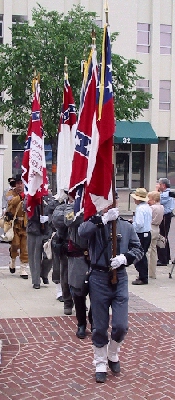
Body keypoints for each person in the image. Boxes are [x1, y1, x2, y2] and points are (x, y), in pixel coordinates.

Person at [78, 206, 143, 383]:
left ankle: (113, 353)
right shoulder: (95, 223)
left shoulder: (126, 226)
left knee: (121, 325)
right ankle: (100, 362)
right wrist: (102, 220)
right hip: (98, 277)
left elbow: (138, 249)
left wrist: (125, 258)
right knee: (99, 326)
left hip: (119, 278)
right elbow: (81, 233)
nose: (109, 206)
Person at [64, 201, 92, 339]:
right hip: (78, 257)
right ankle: (81, 323)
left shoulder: (97, 203)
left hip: (96, 256)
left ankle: (94, 321)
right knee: (78, 291)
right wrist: (83, 212)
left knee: (98, 292)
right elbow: (67, 220)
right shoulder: (71, 207)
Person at [51, 202, 73, 315]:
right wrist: (72, 212)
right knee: (65, 276)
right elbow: (58, 221)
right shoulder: (61, 207)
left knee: (83, 278)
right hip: (66, 246)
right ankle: (68, 302)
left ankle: (80, 301)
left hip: (82, 246)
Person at [26, 196, 52, 289]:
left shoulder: (50, 198)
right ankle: (36, 281)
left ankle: (44, 273)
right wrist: (33, 200)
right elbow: (26, 208)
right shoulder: (29, 196)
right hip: (34, 230)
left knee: (49, 256)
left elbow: (55, 211)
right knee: (34, 257)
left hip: (47, 230)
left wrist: (48, 218)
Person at [5, 174, 28, 278]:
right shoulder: (11, 193)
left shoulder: (27, 193)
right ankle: (12, 260)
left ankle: (23, 268)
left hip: (25, 224)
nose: (19, 185)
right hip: (14, 224)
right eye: (18, 183)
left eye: (21, 183)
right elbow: (10, 202)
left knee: (24, 247)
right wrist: (20, 197)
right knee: (15, 245)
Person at [130, 188, 152, 285]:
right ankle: (143, 275)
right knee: (143, 255)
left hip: (141, 234)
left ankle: (143, 277)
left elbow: (139, 224)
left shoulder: (140, 209)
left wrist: (132, 225)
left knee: (139, 255)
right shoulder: (147, 207)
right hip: (147, 233)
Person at [156, 178, 175, 266]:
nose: (157, 185)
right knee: (164, 237)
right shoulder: (168, 193)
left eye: (159, 184)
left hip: (165, 216)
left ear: (163, 185)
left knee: (161, 237)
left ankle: (163, 259)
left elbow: (156, 200)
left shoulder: (165, 194)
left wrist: (156, 191)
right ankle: (166, 257)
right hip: (166, 216)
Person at [147, 191, 164, 279]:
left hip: (150, 227)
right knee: (154, 250)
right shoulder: (161, 207)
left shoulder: (151, 208)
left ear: (153, 199)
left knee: (147, 251)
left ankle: (145, 272)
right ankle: (152, 273)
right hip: (157, 228)